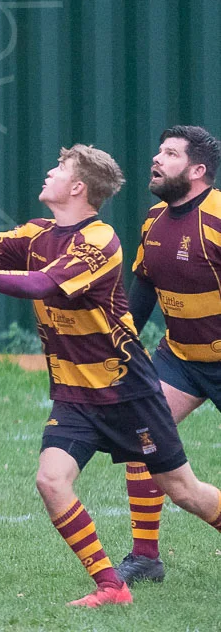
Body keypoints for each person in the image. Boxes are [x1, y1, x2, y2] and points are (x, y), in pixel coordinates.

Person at [0, 145, 221, 608]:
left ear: (78, 187)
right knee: (51, 480)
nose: (48, 172)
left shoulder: (99, 240)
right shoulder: (38, 233)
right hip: (75, 394)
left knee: (185, 491)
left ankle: (142, 560)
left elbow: (42, 284)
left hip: (127, 392)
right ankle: (112, 587)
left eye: (59, 168)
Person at [116, 125, 221, 583]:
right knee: (141, 436)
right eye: (159, 151)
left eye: (171, 154)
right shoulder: (153, 219)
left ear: (198, 171)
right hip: (181, 358)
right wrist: (118, 347)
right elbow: (142, 292)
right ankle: (145, 557)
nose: (157, 159)